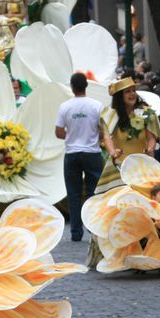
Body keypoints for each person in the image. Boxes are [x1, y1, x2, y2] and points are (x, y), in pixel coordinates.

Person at [85, 78, 160, 268]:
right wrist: (112, 152)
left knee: (151, 205)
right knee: (112, 207)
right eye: (128, 91)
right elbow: (107, 137)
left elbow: (152, 137)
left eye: (134, 90)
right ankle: (116, 250)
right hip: (118, 167)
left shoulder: (146, 113)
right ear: (119, 96)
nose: (132, 94)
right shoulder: (109, 115)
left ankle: (152, 248)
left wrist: (150, 149)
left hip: (141, 166)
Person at [56, 73, 114, 242]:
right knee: (93, 193)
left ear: (72, 87)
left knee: (73, 193)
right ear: (86, 86)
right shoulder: (96, 106)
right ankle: (93, 229)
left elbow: (59, 132)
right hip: (92, 153)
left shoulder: (65, 107)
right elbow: (104, 131)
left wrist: (71, 134)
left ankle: (76, 232)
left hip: (72, 153)